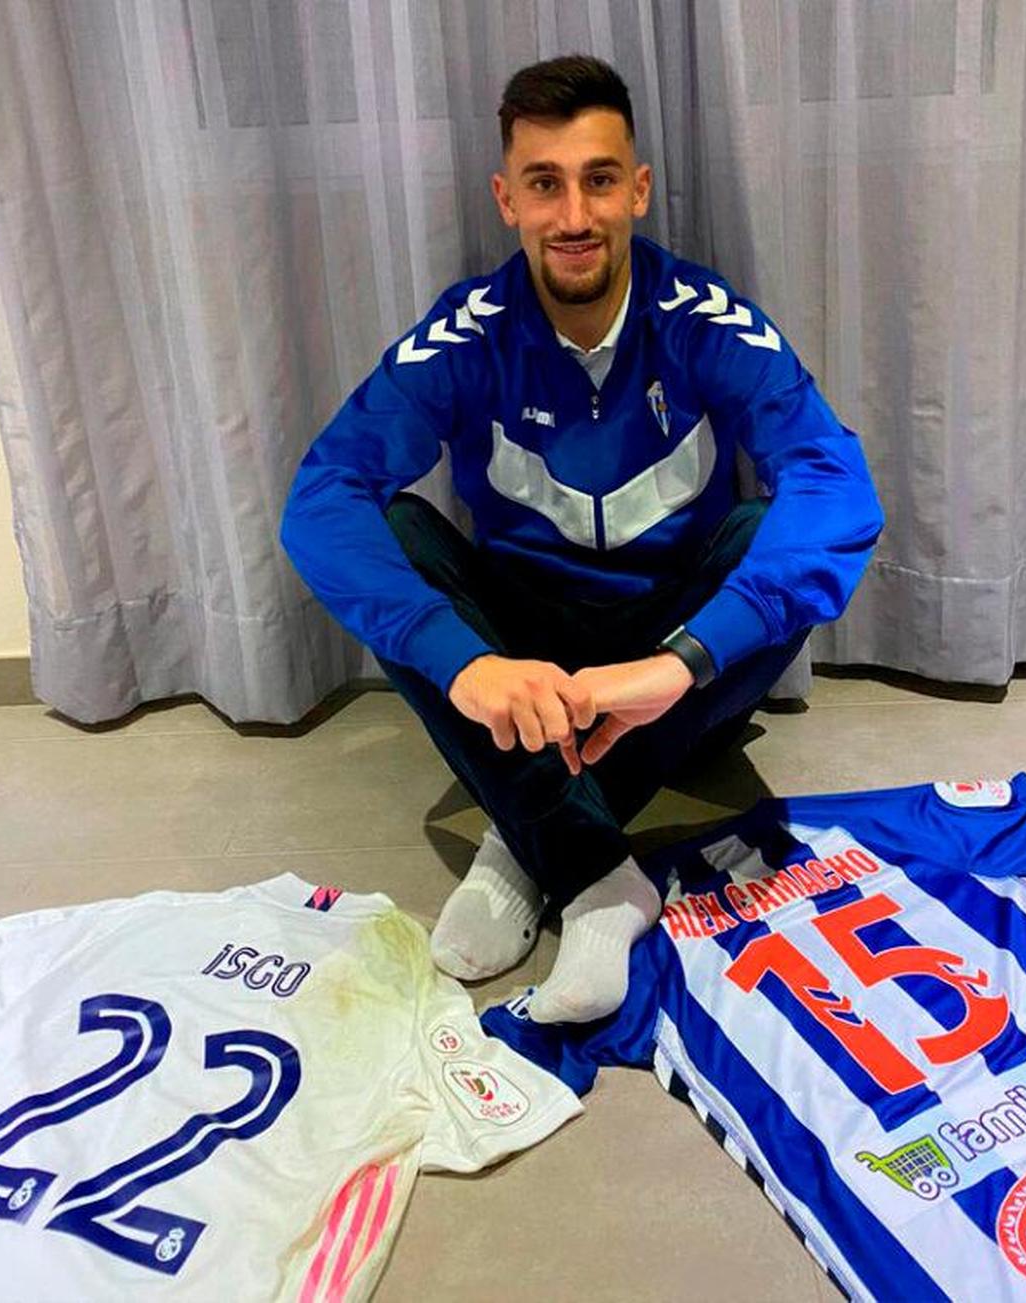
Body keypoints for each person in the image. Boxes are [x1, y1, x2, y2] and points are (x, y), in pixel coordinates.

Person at [281, 55, 883, 1024]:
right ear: (506, 199)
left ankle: (523, 841)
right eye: (545, 184)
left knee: (770, 532)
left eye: (599, 179)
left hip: (668, 660)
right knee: (391, 528)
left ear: (636, 189)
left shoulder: (705, 319)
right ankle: (602, 876)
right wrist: (464, 662)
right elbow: (324, 497)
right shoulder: (467, 332)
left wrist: (682, 661)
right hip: (525, 658)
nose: (574, 215)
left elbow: (833, 480)